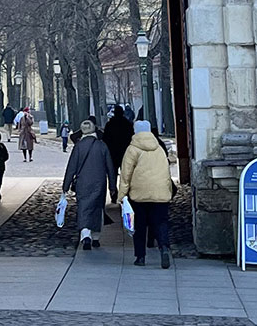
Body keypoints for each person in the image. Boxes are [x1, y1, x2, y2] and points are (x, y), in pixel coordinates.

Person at [117, 120, 174, 268]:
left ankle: (140, 257)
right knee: (161, 222)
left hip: (139, 193)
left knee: (140, 225)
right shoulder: (159, 149)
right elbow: (166, 171)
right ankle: (164, 248)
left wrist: (121, 196)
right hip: (160, 192)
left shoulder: (132, 149)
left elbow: (126, 174)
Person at [61, 119, 116, 251]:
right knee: (97, 208)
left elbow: (71, 168)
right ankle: (96, 237)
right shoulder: (102, 146)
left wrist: (65, 186)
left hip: (82, 183)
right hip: (99, 182)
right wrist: (112, 186)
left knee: (83, 208)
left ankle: (85, 234)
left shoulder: (78, 147)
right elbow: (110, 167)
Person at [102, 104, 134, 195]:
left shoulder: (109, 124)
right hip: (125, 152)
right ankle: (125, 192)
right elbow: (131, 137)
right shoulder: (127, 124)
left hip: (112, 153)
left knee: (112, 174)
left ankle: (113, 192)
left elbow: (105, 139)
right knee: (126, 173)